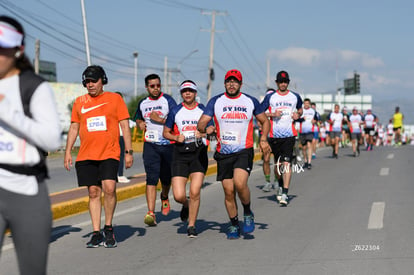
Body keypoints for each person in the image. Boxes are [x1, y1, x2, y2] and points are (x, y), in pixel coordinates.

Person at [0, 15, 61, 274]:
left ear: (18, 50)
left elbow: (52, 140)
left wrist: (9, 113)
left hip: (27, 191)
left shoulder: (33, 86)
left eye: (2, 48)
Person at [64, 65, 134, 248]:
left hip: (109, 152)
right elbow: (74, 127)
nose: (90, 84)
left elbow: (125, 126)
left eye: (93, 81)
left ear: (103, 80)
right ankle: (96, 232)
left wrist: (128, 151)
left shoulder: (115, 99)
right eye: (87, 81)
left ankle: (108, 227)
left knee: (109, 188)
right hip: (86, 154)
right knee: (93, 192)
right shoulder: (79, 102)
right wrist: (67, 151)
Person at [197, 69, 271, 239]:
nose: (231, 84)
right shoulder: (216, 101)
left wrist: (264, 138)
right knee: (228, 191)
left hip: (243, 150)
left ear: (240, 84)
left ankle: (247, 211)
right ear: (224, 84)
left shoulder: (250, 101)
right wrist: (207, 128)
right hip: (223, 153)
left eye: (235, 81)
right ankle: (233, 224)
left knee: (239, 183)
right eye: (228, 81)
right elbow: (201, 124)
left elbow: (264, 121)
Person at [163, 80, 212, 238]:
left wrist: (203, 134)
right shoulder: (175, 111)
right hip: (180, 154)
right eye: (185, 91)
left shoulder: (203, 110)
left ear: (195, 93)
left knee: (195, 190)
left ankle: (191, 225)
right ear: (181, 94)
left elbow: (212, 130)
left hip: (198, 153)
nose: (188, 93)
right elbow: (165, 132)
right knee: (178, 195)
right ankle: (186, 204)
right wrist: (176, 137)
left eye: (190, 91)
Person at [134, 73, 176, 226]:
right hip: (150, 145)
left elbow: (176, 119)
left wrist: (160, 120)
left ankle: (164, 197)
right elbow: (138, 117)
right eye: (152, 86)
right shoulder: (143, 103)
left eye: (158, 85)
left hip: (167, 145)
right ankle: (150, 212)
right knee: (151, 178)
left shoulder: (168, 100)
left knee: (166, 178)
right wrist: (139, 123)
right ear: (147, 87)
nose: (156, 88)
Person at [261, 71, 303, 206]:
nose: (283, 84)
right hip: (274, 136)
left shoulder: (295, 96)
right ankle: (279, 184)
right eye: (280, 81)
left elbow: (300, 110)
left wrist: (298, 114)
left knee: (286, 164)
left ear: (288, 82)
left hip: (289, 135)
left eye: (285, 81)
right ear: (276, 83)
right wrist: (273, 113)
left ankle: (285, 193)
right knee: (278, 165)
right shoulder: (271, 97)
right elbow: (260, 112)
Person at [261, 88, 276, 192]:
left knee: (277, 161)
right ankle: (267, 182)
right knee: (266, 159)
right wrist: (272, 114)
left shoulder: (278, 105)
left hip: (277, 135)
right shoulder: (263, 106)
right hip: (267, 136)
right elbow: (259, 115)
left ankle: (276, 181)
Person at [115, 91, 131, 183]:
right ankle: (119, 175)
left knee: (119, 156)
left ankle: (118, 175)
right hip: (118, 135)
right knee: (118, 156)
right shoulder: (119, 109)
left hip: (120, 136)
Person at [298, 98, 318, 169]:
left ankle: (309, 162)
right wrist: (302, 119)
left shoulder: (313, 111)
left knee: (309, 145)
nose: (306, 104)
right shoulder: (300, 111)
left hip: (310, 130)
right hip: (302, 131)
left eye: (307, 103)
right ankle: (305, 161)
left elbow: (316, 119)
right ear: (304, 104)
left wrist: (314, 121)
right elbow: (296, 119)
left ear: (309, 104)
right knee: (303, 148)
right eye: (305, 103)